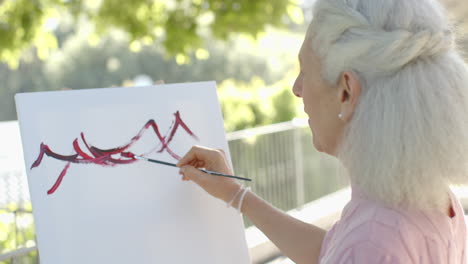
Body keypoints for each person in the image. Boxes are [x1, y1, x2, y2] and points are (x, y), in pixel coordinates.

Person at [177, 0, 468, 263]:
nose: (296, 88)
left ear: (346, 92)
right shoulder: (427, 199)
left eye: (305, 71)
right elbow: (330, 251)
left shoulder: (374, 241)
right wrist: (236, 194)